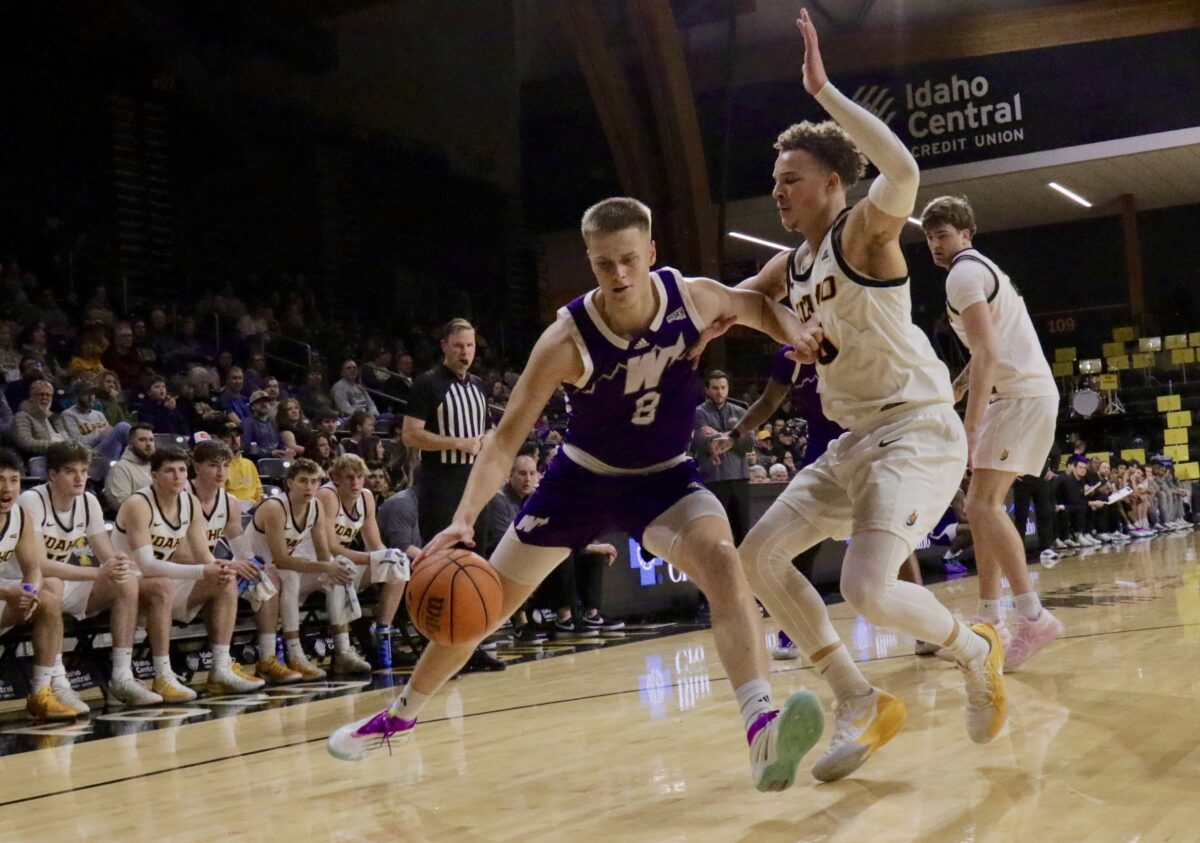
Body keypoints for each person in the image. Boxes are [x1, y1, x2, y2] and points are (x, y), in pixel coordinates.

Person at [329, 195, 828, 795]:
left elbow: (755, 306)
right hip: (580, 481)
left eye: (627, 261)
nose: (617, 276)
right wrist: (464, 518)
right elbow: (505, 438)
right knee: (479, 603)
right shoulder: (566, 339)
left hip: (666, 479)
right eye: (602, 264)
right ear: (588, 263)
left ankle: (761, 728)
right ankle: (398, 717)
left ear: (650, 254)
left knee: (724, 561)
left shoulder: (691, 298)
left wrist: (797, 331)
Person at [691, 12, 1007, 782]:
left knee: (865, 587)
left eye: (790, 181)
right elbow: (738, 299)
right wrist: (695, 322)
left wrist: (824, 89)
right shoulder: (791, 265)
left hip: (916, 430)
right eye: (773, 184)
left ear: (833, 183)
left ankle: (975, 648)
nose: (778, 194)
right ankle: (859, 698)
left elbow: (903, 172)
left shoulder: (864, 233)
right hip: (855, 441)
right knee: (757, 557)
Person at [921, 194, 1064, 669]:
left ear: (965, 234)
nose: (934, 245)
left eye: (942, 235)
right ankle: (990, 620)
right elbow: (989, 350)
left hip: (1018, 395)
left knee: (981, 505)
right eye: (928, 237)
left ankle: (1033, 616)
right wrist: (957, 390)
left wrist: (972, 420)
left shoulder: (964, 273)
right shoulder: (979, 270)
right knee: (982, 509)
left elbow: (985, 353)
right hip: (1022, 392)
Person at [19, 442, 171, 706]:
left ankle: (122, 676)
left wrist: (118, 563)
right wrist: (97, 573)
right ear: (52, 474)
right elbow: (39, 565)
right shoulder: (32, 500)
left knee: (125, 581)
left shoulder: (88, 501)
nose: (80, 478)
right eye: (70, 471)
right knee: (52, 583)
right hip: (24, 586)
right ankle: (57, 681)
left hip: (65, 584)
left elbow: (106, 552)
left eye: (84, 470)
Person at [113, 447, 261, 700]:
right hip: (127, 584)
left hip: (166, 582)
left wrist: (220, 568)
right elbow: (147, 565)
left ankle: (221, 668)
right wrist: (203, 570)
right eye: (169, 471)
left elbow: (204, 555)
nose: (177, 476)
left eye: (181, 470)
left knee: (224, 579)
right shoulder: (138, 503)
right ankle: (162, 674)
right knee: (163, 585)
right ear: (154, 475)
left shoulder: (189, 502)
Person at [400, 318, 504, 672]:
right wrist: (457, 442)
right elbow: (410, 435)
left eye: (471, 346)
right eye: (459, 346)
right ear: (444, 345)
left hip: (475, 481)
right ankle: (442, 650)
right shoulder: (427, 384)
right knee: (445, 564)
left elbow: (488, 430)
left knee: (480, 560)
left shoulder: (478, 386)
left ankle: (473, 647)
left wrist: (488, 444)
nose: (466, 353)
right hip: (441, 480)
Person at [189, 438, 289, 686]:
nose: (221, 472)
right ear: (196, 466)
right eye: (213, 465)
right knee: (226, 577)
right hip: (178, 571)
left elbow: (240, 545)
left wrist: (253, 564)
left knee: (267, 575)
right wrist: (231, 566)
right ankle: (221, 665)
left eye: (226, 465)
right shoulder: (182, 497)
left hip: (205, 571)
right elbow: (183, 553)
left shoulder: (229, 502)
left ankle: (267, 658)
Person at [249, 458, 352, 680]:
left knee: (337, 575)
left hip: (278, 571)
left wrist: (335, 567)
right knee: (291, 576)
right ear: (289, 483)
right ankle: (288, 656)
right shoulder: (274, 507)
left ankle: (343, 650)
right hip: (251, 570)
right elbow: (281, 560)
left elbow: (324, 553)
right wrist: (326, 565)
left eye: (315, 481)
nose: (309, 487)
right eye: (303, 481)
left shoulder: (315, 506)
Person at [306, 454, 409, 672]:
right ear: (336, 479)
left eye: (360, 477)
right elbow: (330, 547)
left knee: (397, 564)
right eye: (349, 477)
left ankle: (382, 637)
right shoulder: (327, 495)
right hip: (311, 563)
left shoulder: (366, 497)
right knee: (341, 569)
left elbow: (374, 543)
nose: (355, 483)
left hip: (339, 562)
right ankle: (343, 652)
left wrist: (390, 556)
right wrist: (373, 558)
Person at [0, 447, 76, 720]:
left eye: (13, 480)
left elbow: (33, 569)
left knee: (47, 600)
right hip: (3, 591)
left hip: (6, 593)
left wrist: (29, 592)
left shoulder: (20, 518)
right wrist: (7, 591)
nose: (6, 488)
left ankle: (42, 692)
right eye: (0, 480)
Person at [692, 370, 753, 544]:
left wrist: (720, 434)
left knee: (743, 533)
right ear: (707, 390)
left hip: (740, 479)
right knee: (717, 534)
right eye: (715, 388)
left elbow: (749, 444)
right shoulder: (698, 413)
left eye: (723, 387)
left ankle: (744, 571)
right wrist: (735, 436)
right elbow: (703, 442)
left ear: (728, 388)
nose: (720, 392)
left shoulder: (741, 411)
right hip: (714, 480)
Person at [60, 381, 131, 462]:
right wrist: (99, 435)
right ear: (77, 396)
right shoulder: (68, 414)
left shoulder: (99, 414)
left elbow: (108, 434)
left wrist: (106, 434)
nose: (91, 398)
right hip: (91, 454)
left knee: (126, 430)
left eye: (93, 394)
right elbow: (78, 442)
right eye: (86, 394)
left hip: (107, 450)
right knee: (122, 427)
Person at [104, 422, 156, 511]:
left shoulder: (158, 465)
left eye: (151, 440)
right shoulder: (120, 469)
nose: (148, 444)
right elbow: (122, 505)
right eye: (142, 440)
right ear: (130, 443)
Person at [13, 379, 67, 460]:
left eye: (48, 395)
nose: (45, 398)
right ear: (31, 397)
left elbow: (67, 438)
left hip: (66, 456)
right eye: (41, 394)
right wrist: (56, 446)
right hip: (43, 459)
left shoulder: (55, 418)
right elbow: (25, 442)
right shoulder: (22, 416)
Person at [217, 425, 264, 508]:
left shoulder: (249, 464)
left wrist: (259, 504)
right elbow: (221, 496)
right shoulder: (220, 467)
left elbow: (259, 491)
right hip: (232, 508)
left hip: (254, 509)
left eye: (237, 435)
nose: (234, 440)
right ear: (220, 440)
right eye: (229, 436)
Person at [242, 390, 292, 460]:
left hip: (275, 461)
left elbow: (279, 444)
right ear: (252, 406)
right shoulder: (248, 423)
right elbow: (247, 448)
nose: (264, 404)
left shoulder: (273, 422)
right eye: (259, 402)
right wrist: (270, 453)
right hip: (258, 463)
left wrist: (286, 450)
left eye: (266, 401)